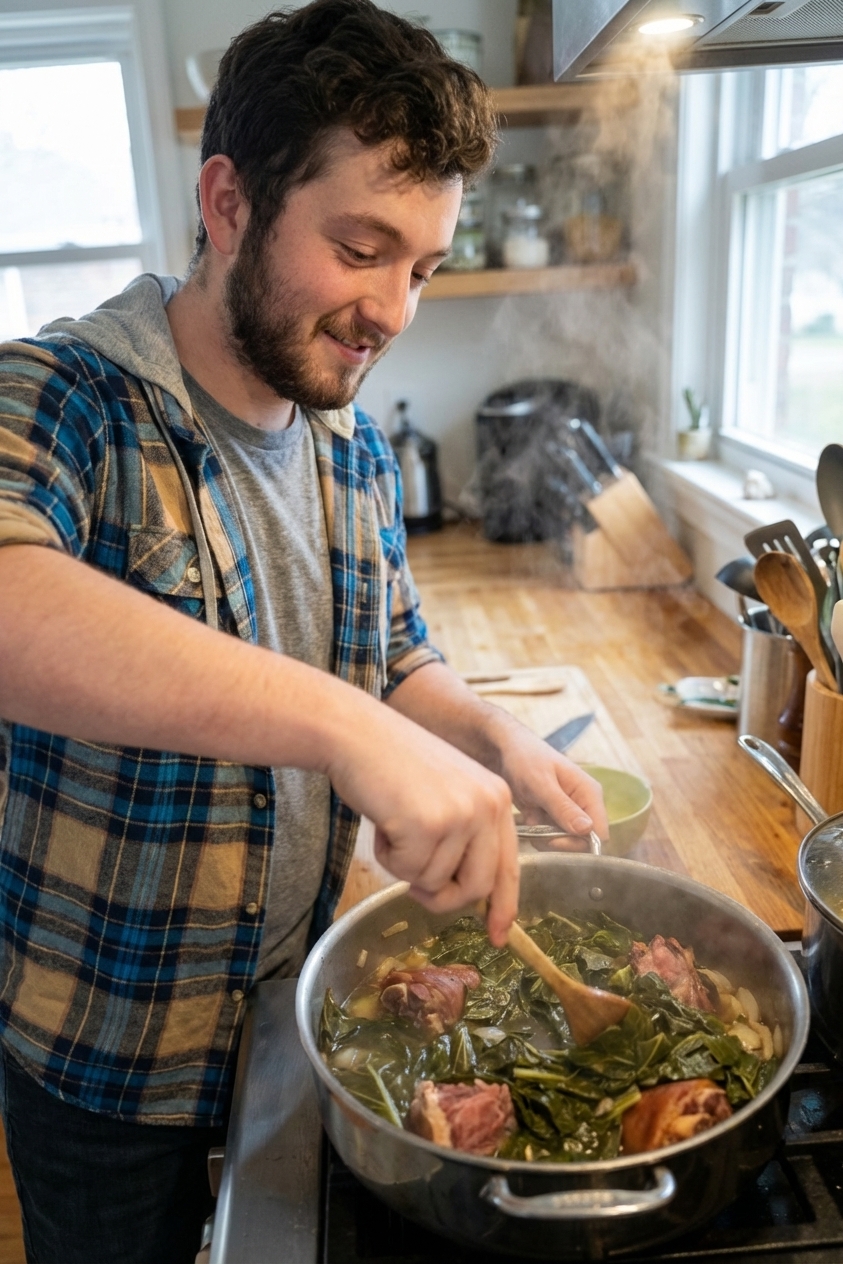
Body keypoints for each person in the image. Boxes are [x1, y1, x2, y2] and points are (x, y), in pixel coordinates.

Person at [0, 3, 608, 1261]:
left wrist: (488, 735)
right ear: (229, 201)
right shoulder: (64, 395)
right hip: (104, 1047)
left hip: (294, 1011)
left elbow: (393, 655)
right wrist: (341, 728)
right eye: (360, 246)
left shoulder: (352, 441)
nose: (392, 309)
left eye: (424, 268)